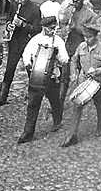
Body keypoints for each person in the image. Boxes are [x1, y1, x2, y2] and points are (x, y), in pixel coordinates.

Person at [17, 16, 69, 144]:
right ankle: (28, 132)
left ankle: (57, 121)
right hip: (37, 77)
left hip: (51, 77)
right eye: (49, 28)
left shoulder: (58, 41)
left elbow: (65, 59)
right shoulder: (36, 40)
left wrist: (58, 56)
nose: (52, 31)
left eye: (53, 28)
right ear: (43, 28)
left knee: (55, 100)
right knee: (33, 104)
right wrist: (28, 65)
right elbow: (26, 54)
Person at [60, 21, 101, 148]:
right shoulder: (81, 46)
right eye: (85, 36)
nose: (86, 39)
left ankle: (100, 126)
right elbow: (74, 59)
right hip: (83, 81)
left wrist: (97, 71)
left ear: (95, 36)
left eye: (89, 37)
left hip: (98, 83)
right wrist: (73, 73)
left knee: (99, 104)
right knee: (77, 106)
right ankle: (72, 136)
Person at [0, 0, 42, 107]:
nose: (19, 1)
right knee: (10, 68)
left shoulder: (35, 9)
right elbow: (9, 19)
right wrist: (9, 25)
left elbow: (37, 29)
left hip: (28, 42)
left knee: (30, 68)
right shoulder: (14, 6)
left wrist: (23, 25)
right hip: (15, 41)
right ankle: (3, 96)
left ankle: (33, 95)